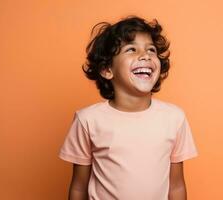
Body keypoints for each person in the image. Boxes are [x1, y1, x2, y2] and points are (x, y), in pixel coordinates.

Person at [59, 16, 198, 200]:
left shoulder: (174, 118)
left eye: (151, 49)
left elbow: (177, 185)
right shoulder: (87, 120)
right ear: (107, 69)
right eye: (131, 49)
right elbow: (78, 187)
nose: (145, 55)